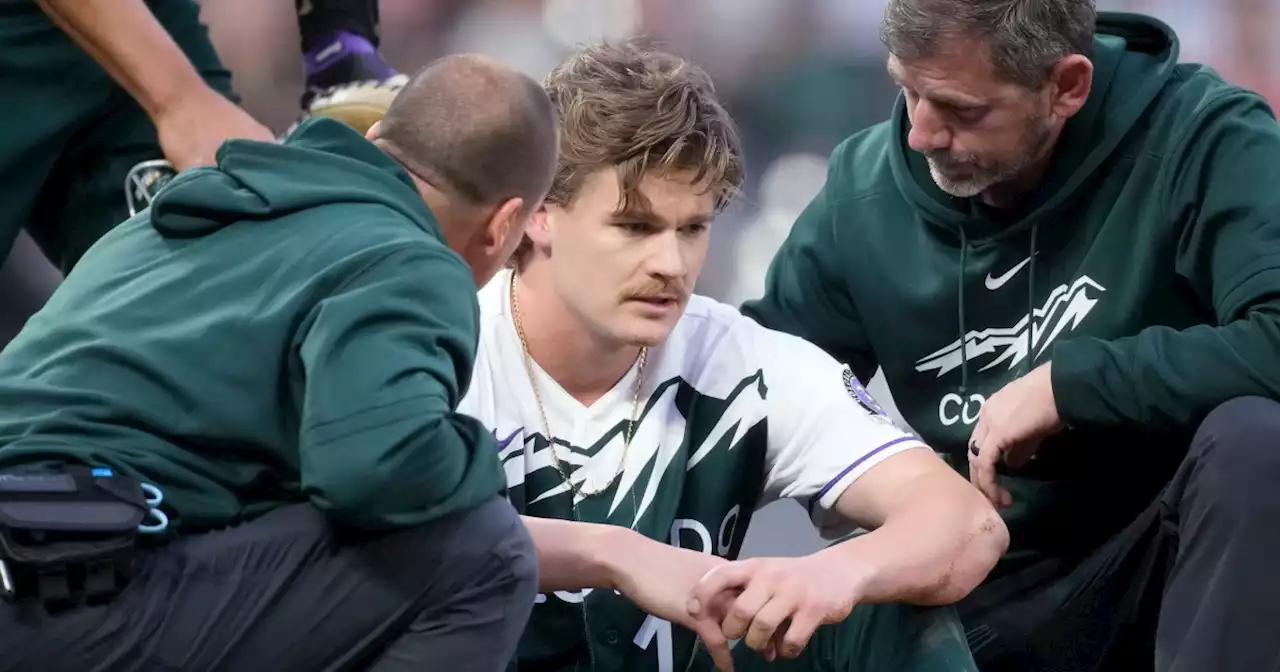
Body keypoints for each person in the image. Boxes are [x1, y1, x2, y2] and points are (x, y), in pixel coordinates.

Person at [743, 1, 1280, 670]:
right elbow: (750, 396)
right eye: (907, 90)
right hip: (979, 577)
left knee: (1257, 442)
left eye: (960, 110)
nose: (921, 134)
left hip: (1172, 563)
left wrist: (1074, 384)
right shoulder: (864, 193)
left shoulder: (1204, 137)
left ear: (1067, 87)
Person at [457, 41, 1008, 672]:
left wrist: (837, 575)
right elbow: (375, 549)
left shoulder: (740, 361)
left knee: (880, 606)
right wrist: (611, 553)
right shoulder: (445, 345)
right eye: (634, 227)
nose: (671, 264)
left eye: (692, 228)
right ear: (539, 215)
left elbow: (969, 527)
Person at [0, 54, 560, 671]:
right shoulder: (411, 259)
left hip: (46, 548)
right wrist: (485, 463)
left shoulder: (198, 203)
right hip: (57, 589)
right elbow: (376, 465)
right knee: (486, 552)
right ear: (507, 223)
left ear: (372, 140)